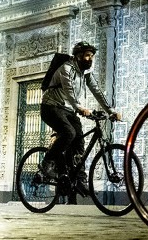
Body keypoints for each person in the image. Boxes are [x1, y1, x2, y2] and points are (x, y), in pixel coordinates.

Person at [38, 41, 122, 181]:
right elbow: (69, 90)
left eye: (92, 56)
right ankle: (47, 162)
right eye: (87, 55)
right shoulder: (67, 68)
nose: (90, 59)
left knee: (79, 140)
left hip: (68, 110)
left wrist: (110, 111)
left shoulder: (85, 73)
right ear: (78, 56)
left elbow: (97, 91)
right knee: (69, 132)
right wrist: (80, 108)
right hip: (51, 107)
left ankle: (78, 177)